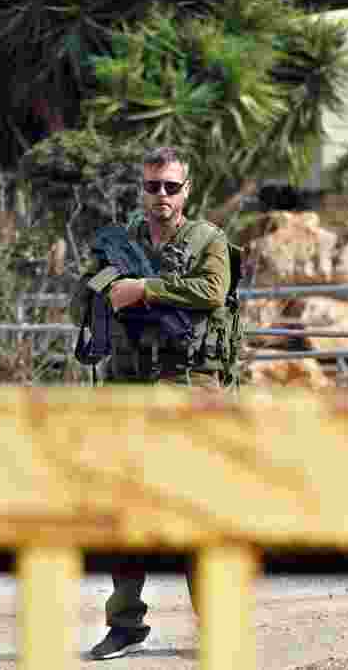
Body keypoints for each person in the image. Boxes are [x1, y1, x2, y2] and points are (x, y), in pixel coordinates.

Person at [68, 146, 239, 659]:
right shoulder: (119, 242)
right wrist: (110, 286)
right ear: (140, 191)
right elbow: (84, 295)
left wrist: (143, 288)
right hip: (127, 390)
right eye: (152, 186)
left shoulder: (209, 240)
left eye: (170, 186)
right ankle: (124, 623)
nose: (160, 195)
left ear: (187, 190)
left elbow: (212, 290)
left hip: (188, 387)